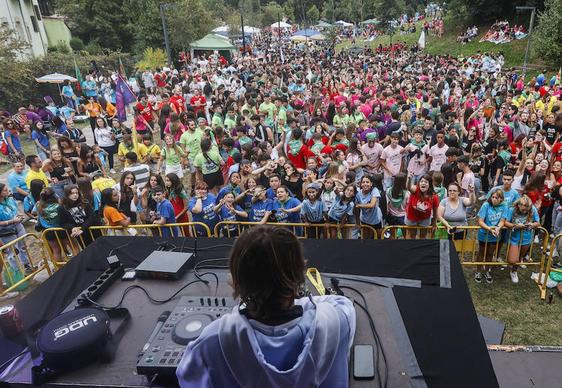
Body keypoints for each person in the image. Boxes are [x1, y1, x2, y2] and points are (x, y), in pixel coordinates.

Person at [176, 225, 356, 388]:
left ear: (236, 279)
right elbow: (338, 302)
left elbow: (188, 380)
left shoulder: (213, 340)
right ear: (299, 274)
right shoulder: (335, 320)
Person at [502, 195, 540, 284]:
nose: (524, 209)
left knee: (520, 257)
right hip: (514, 237)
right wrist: (515, 226)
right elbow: (506, 222)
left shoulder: (533, 209)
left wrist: (531, 225)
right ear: (518, 205)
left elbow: (538, 222)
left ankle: (514, 271)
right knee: (512, 260)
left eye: (527, 207)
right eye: (522, 206)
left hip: (526, 238)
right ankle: (512, 264)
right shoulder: (512, 209)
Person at [476, 188, 507, 284]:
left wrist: (497, 228)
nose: (494, 199)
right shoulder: (486, 205)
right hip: (484, 234)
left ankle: (487, 271)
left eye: (496, 198)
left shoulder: (504, 206)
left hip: (495, 235)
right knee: (481, 252)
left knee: (490, 253)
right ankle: (478, 271)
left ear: (501, 199)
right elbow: (480, 221)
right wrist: (489, 229)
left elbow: (502, 220)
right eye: (492, 197)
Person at [0, 182, 32, 272]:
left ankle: (27, 266)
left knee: (23, 247)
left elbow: (15, 211)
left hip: (18, 226)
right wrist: (11, 221)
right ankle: (17, 272)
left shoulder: (10, 199)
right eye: (5, 190)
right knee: (14, 252)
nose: (8, 191)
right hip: (6, 231)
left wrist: (19, 215)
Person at [404, 174, 440, 239]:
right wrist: (409, 179)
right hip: (412, 217)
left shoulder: (434, 197)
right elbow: (408, 187)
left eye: (426, 182)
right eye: (421, 181)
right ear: (419, 183)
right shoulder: (415, 190)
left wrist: (434, 224)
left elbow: (435, 212)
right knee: (412, 236)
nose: (423, 183)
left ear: (430, 185)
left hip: (425, 219)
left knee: (423, 237)